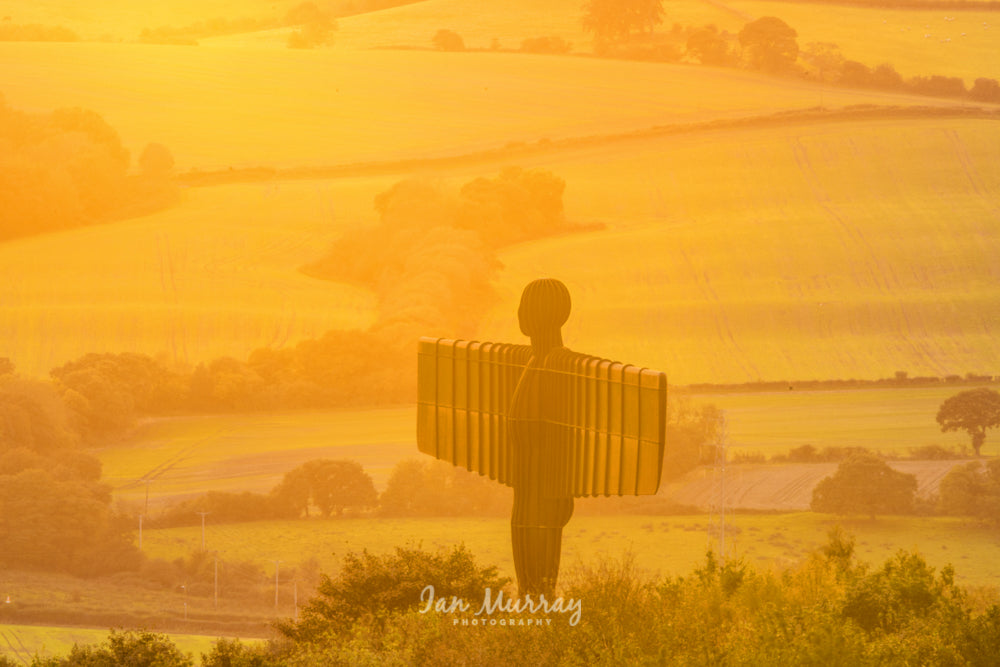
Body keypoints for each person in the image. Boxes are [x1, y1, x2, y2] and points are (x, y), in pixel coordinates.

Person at [507, 278, 575, 597]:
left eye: (527, 307)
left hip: (546, 491)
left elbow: (566, 433)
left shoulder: (562, 365)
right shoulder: (530, 361)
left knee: (540, 586)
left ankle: (541, 616)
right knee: (526, 587)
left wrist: (562, 490)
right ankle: (528, 611)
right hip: (524, 490)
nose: (520, 314)